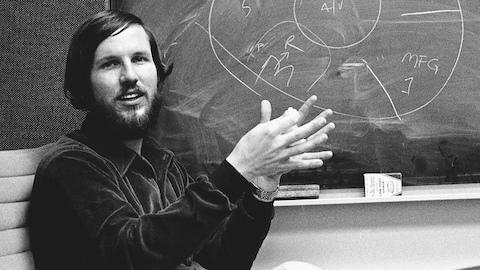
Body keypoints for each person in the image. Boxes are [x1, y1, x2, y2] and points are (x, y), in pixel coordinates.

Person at [27, 9, 335, 270]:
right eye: (110, 64)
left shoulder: (163, 163)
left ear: (157, 76)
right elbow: (132, 253)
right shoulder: (69, 163)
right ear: (85, 85)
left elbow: (223, 260)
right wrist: (239, 167)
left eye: (139, 59)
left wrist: (262, 185)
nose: (130, 76)